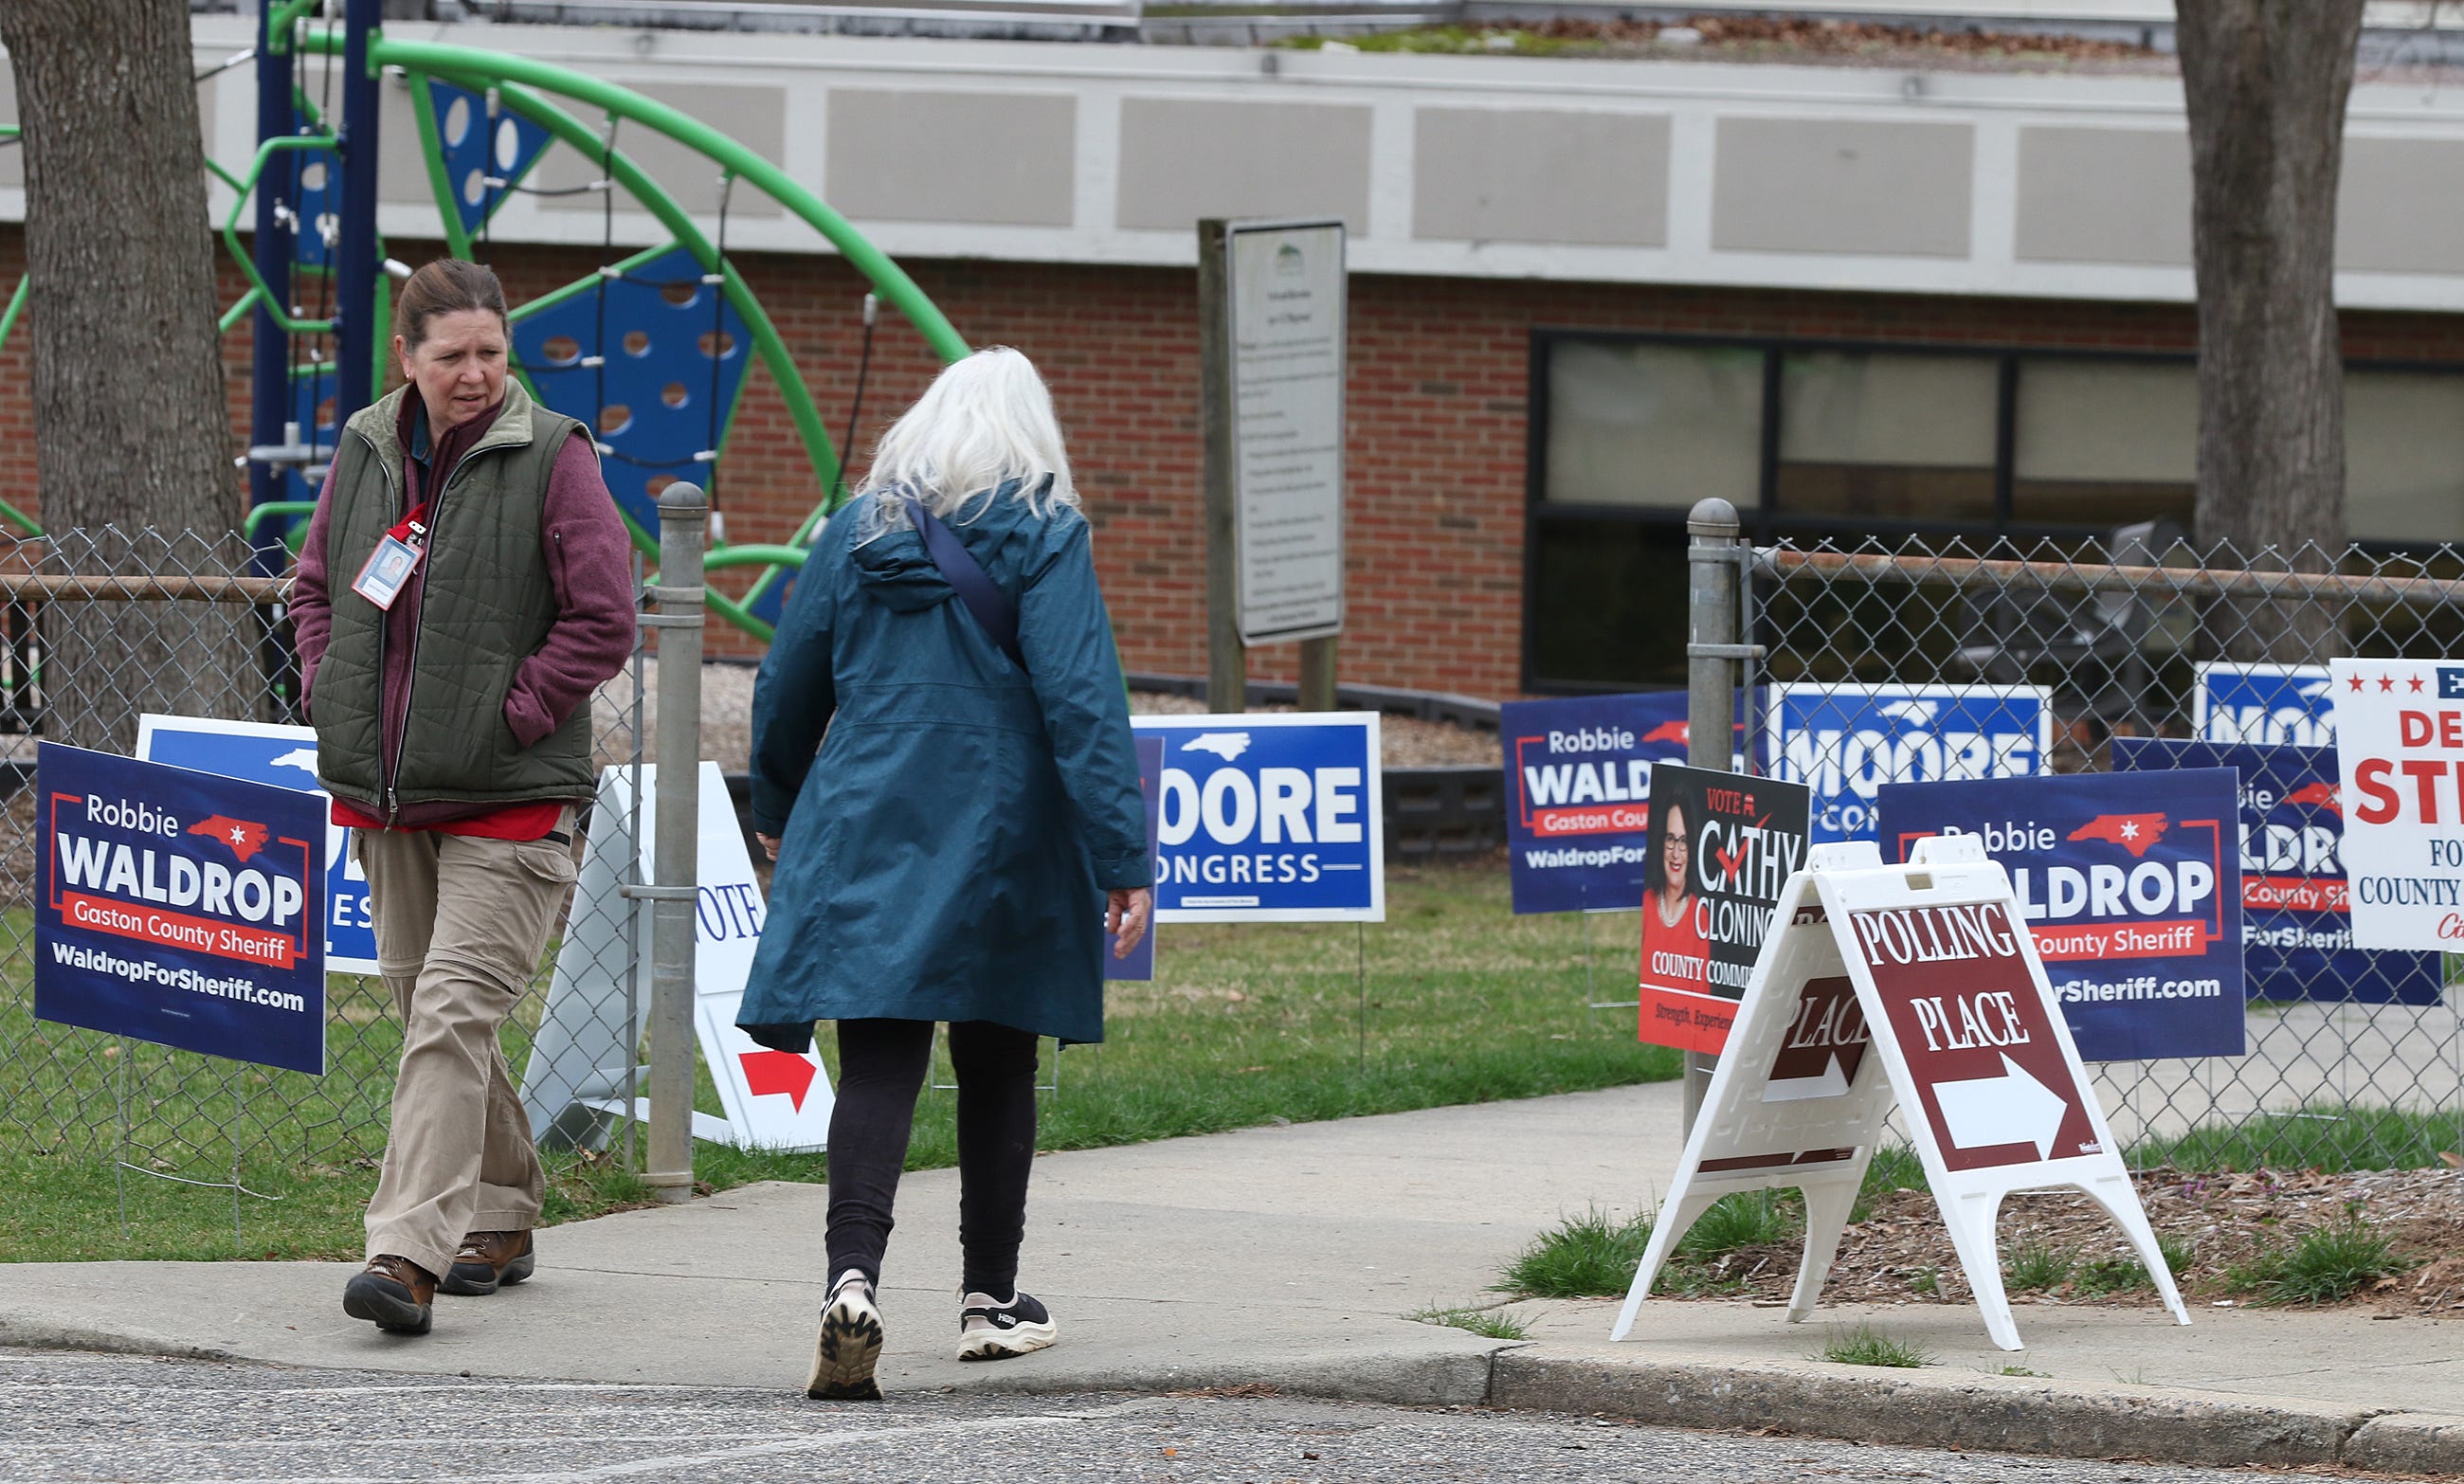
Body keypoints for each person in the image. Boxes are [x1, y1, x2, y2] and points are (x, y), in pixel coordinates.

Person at [734, 347, 1152, 1402]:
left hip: (868, 809)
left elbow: (786, 682)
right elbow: (1080, 701)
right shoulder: (1048, 531)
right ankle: (989, 1302)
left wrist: (778, 809)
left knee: (877, 1062)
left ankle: (851, 1279)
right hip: (1003, 821)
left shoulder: (858, 529)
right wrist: (1120, 856)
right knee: (997, 1063)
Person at [291, 258, 637, 1336]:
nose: (478, 373)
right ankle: (503, 1210)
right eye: (454, 356)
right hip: (393, 800)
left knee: (449, 1015)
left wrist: (516, 714)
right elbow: (314, 588)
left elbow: (604, 617)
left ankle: (405, 1254)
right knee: (429, 1014)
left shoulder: (554, 458)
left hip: (515, 805)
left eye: (492, 352)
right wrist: (325, 683)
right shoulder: (362, 449)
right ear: (408, 360)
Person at [1640, 795, 1708, 989]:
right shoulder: (1648, 902)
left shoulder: (1701, 916)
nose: (1675, 853)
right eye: (1670, 839)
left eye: (1684, 842)